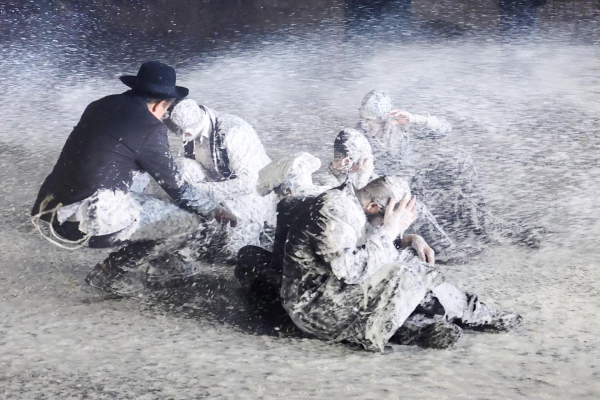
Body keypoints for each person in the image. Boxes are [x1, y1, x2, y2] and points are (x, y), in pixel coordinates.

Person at [31, 61, 235, 295]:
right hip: (85, 219)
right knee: (188, 222)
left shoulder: (99, 105)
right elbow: (177, 187)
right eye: (166, 112)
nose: (165, 117)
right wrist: (215, 210)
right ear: (160, 104)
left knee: (148, 195)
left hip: (50, 208)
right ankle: (108, 273)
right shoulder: (149, 127)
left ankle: (164, 262)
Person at [280, 176, 522, 352]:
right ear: (373, 206)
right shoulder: (332, 211)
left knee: (405, 259)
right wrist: (390, 232)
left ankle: (421, 329)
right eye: (388, 216)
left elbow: (366, 241)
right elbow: (352, 270)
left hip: (334, 295)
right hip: (314, 308)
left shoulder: (353, 205)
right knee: (407, 270)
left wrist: (408, 239)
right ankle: (472, 314)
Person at [357, 89, 542, 250]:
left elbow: (445, 129)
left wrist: (415, 118)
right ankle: (486, 229)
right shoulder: (358, 139)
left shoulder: (399, 128)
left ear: (385, 119)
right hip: (391, 193)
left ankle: (483, 214)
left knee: (460, 161)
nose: (365, 125)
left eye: (370, 120)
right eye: (363, 119)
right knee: (459, 202)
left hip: (416, 182)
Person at [166, 99, 275, 260]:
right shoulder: (190, 128)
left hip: (252, 196)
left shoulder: (234, 132)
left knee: (235, 255)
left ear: (187, 132)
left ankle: (255, 230)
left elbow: (249, 183)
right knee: (183, 167)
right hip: (217, 187)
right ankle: (198, 228)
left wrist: (198, 191)